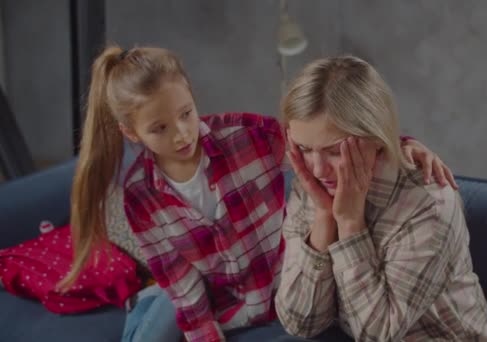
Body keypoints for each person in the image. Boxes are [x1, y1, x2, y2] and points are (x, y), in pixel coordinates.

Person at [60, 45, 458, 342]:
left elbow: (323, 141)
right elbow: (182, 287)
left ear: (193, 97)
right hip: (219, 311)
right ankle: (142, 307)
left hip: (284, 297)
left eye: (186, 114)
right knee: (154, 328)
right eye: (159, 128)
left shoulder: (246, 137)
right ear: (132, 134)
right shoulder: (139, 197)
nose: (182, 134)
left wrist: (400, 145)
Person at [276, 56, 487, 341]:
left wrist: (349, 223)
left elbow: (377, 335)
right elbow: (299, 323)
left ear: (375, 138)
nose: (317, 169)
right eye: (305, 148)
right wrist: (324, 217)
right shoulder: (312, 186)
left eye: (333, 151)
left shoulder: (428, 205)